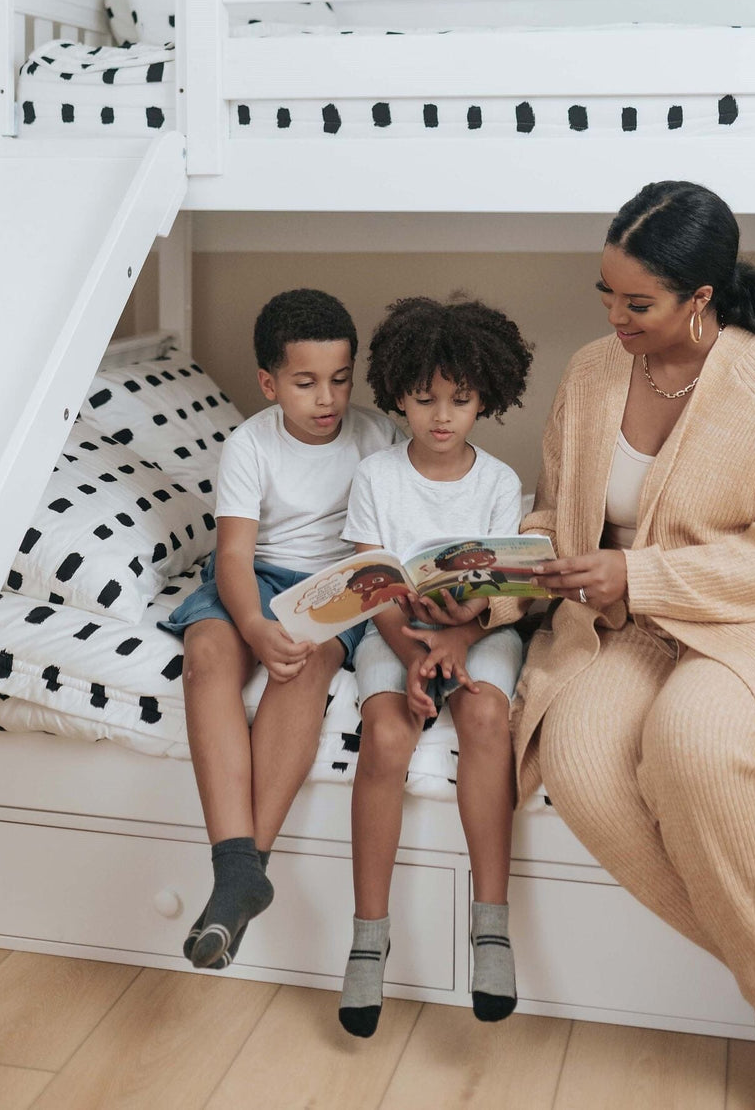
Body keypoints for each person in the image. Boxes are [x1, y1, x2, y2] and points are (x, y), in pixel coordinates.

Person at [462, 182, 755, 1110]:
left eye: (639, 303)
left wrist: (640, 577)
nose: (615, 318)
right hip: (632, 622)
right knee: (575, 757)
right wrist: (506, 568)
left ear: (701, 299)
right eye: (605, 296)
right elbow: (561, 505)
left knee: (695, 745)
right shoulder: (590, 374)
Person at [160, 289, 400, 971]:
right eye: (305, 383)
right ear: (269, 383)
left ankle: (240, 873)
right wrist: (254, 625)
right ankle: (241, 870)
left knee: (310, 660)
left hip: (333, 585)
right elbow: (234, 557)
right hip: (256, 574)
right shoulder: (249, 444)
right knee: (207, 653)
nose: (327, 398)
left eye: (340, 378)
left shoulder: (377, 435)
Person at [337, 295, 533, 1037]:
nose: (442, 416)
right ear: (398, 396)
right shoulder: (377, 478)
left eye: (460, 400)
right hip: (397, 630)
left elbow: (502, 592)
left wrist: (458, 640)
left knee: (484, 714)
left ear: (487, 394)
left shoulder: (498, 482)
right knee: (386, 738)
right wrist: (411, 645)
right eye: (424, 401)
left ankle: (491, 928)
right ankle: (367, 938)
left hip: (476, 631)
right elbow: (372, 581)